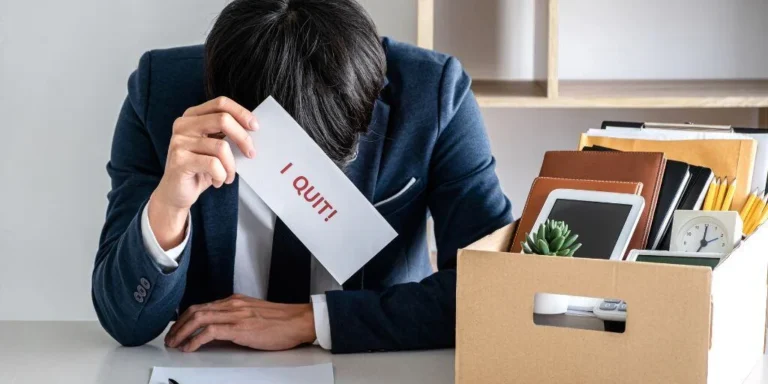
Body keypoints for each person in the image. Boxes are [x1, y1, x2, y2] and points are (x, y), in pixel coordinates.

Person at [92, 0, 512, 354]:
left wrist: (316, 321)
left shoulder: (434, 95)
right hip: (211, 365)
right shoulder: (160, 92)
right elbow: (125, 322)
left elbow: (493, 291)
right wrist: (170, 205)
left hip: (371, 365)